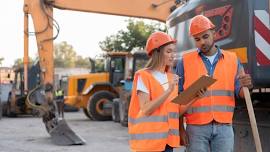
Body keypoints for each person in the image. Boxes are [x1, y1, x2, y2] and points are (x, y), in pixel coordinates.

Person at [175, 15, 253, 152]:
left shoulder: (232, 59)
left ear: (214, 33)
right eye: (197, 39)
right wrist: (181, 129)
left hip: (224, 127)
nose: (202, 42)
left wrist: (247, 86)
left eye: (205, 36)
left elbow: (240, 92)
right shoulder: (184, 62)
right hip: (195, 128)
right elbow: (178, 100)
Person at [128, 31, 206, 152]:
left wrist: (195, 97)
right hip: (148, 144)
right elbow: (146, 109)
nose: (173, 55)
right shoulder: (143, 76)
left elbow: (175, 112)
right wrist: (169, 90)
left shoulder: (171, 78)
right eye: (168, 51)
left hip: (167, 142)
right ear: (157, 52)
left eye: (173, 51)